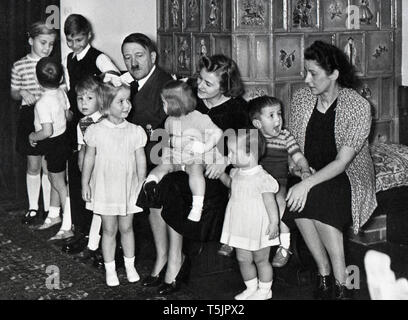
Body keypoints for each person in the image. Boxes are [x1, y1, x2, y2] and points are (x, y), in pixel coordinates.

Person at [143, 54, 249, 295]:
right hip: (184, 162)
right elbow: (165, 130)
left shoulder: (237, 108)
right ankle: (161, 257)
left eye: (208, 83)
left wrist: (225, 160)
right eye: (200, 79)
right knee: (157, 184)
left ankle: (175, 259)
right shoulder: (190, 98)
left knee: (170, 186)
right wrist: (166, 154)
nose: (200, 85)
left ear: (225, 86)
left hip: (214, 173)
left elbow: (250, 145)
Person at [281, 41, 377, 300]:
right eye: (306, 72)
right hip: (308, 170)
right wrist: (300, 171)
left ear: (334, 74)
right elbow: (294, 145)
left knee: (319, 197)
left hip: (348, 175)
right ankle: (322, 271)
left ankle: (342, 282)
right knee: (296, 198)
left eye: (313, 73)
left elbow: (343, 162)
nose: (306, 79)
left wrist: (307, 184)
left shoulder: (356, 105)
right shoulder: (301, 99)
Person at [62, 14, 120, 253]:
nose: (74, 45)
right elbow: (68, 87)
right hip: (77, 123)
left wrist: (100, 98)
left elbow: (116, 81)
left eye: (79, 39)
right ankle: (82, 231)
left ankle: (97, 238)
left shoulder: (99, 58)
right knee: (77, 179)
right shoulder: (70, 58)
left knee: (95, 183)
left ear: (89, 35)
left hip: (95, 124)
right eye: (70, 40)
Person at [120, 33, 173, 287]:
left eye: (139, 56)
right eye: (127, 57)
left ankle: (164, 257)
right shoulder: (130, 82)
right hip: (140, 153)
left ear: (153, 56)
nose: (133, 62)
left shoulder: (163, 85)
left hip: (160, 156)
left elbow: (162, 133)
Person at [81, 82, 147, 286]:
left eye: (128, 100)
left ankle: (129, 265)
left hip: (128, 187)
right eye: (121, 101)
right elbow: (89, 159)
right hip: (105, 187)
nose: (127, 105)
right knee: (109, 229)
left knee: (127, 228)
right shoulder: (95, 130)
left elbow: (141, 160)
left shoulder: (135, 131)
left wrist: (141, 183)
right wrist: (85, 184)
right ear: (106, 105)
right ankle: (110, 268)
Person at [143, 80, 223, 222]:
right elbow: (168, 145)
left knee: (195, 169)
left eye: (164, 103)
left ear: (175, 103)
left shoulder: (198, 118)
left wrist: (205, 147)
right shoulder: (169, 121)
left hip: (198, 156)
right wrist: (165, 160)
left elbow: (217, 133)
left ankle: (197, 205)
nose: (162, 107)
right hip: (178, 157)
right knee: (163, 166)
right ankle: (150, 183)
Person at [248, 96, 311, 268]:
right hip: (255, 181)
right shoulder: (253, 138)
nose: (278, 119)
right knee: (237, 196)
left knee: (280, 203)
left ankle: (284, 245)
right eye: (271, 115)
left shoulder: (285, 136)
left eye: (279, 114)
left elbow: (299, 157)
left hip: (277, 182)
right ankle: (234, 238)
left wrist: (304, 169)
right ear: (258, 123)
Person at [219, 128, 280, 300]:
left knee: (261, 260)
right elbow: (231, 185)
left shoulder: (262, 177)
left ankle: (265, 290)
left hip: (259, 226)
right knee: (243, 259)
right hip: (240, 224)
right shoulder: (236, 172)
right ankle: (251, 287)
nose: (228, 156)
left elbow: (270, 202)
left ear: (250, 153)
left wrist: (274, 222)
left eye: (232, 152)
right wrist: (219, 174)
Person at [11, 21, 57, 225]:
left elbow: (62, 89)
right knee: (33, 164)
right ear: (31, 40)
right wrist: (22, 92)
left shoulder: (55, 65)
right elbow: (13, 92)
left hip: (49, 116)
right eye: (43, 42)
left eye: (51, 44)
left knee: (49, 164)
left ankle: (49, 207)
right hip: (29, 117)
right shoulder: (19, 65)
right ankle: (33, 208)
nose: (47, 48)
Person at [61, 76, 104, 267]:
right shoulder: (82, 123)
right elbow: (82, 148)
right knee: (93, 209)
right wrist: (82, 169)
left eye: (89, 99)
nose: (83, 103)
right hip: (90, 171)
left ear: (100, 99)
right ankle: (92, 243)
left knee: (101, 210)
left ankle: (96, 245)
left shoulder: (105, 120)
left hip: (104, 171)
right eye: (80, 99)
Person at [28, 58, 72, 240]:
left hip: (53, 143)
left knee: (59, 184)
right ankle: (54, 215)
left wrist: (33, 136)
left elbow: (47, 131)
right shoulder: (61, 92)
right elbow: (69, 115)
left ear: (37, 80)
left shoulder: (42, 103)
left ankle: (68, 224)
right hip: (61, 140)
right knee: (54, 178)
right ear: (61, 77)